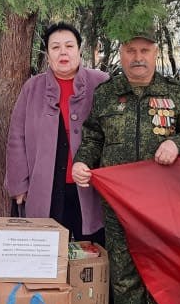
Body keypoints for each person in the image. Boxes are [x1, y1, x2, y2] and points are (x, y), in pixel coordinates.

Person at [72, 31, 180, 304]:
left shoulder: (174, 92)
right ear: (123, 53)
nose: (138, 57)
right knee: (126, 274)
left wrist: (176, 142)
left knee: (163, 272)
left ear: (156, 53)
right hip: (119, 203)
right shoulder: (107, 93)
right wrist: (82, 163)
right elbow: (93, 136)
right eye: (131, 49)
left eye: (145, 50)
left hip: (163, 203)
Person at [6, 22, 108, 241]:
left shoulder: (100, 83)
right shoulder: (32, 88)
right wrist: (18, 184)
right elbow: (16, 138)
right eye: (55, 47)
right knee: (48, 253)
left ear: (79, 50)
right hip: (47, 188)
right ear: (47, 54)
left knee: (91, 253)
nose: (63, 52)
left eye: (69, 46)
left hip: (91, 188)